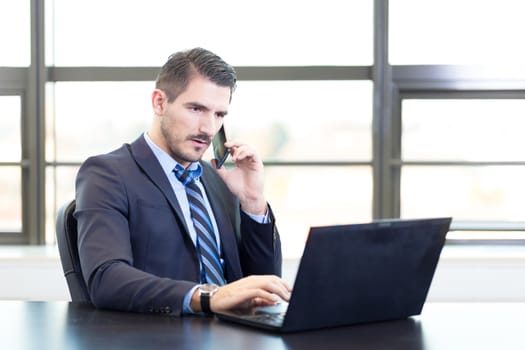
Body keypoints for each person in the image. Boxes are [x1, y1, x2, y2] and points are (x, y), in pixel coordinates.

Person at [74, 47, 290, 316]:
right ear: (159, 103)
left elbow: (264, 287)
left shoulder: (218, 179)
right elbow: (107, 278)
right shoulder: (107, 174)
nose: (208, 128)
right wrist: (209, 297)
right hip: (165, 336)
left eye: (219, 114)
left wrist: (253, 203)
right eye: (196, 109)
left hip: (235, 335)